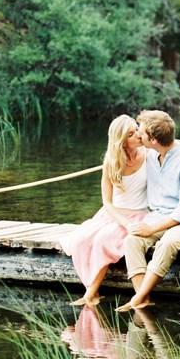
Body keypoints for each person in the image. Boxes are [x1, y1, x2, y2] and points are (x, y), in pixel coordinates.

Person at [118, 109, 180, 312]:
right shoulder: (150, 154)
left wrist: (151, 230)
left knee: (167, 243)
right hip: (158, 216)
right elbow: (122, 155)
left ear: (153, 140)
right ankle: (144, 298)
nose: (138, 135)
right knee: (132, 240)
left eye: (141, 132)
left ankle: (137, 299)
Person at [60, 115, 147, 307]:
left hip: (140, 212)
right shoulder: (111, 161)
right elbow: (107, 201)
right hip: (114, 213)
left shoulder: (149, 153)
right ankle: (93, 291)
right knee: (81, 240)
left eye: (137, 129)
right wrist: (123, 222)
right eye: (131, 134)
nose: (138, 135)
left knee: (103, 240)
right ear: (122, 141)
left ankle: (90, 294)